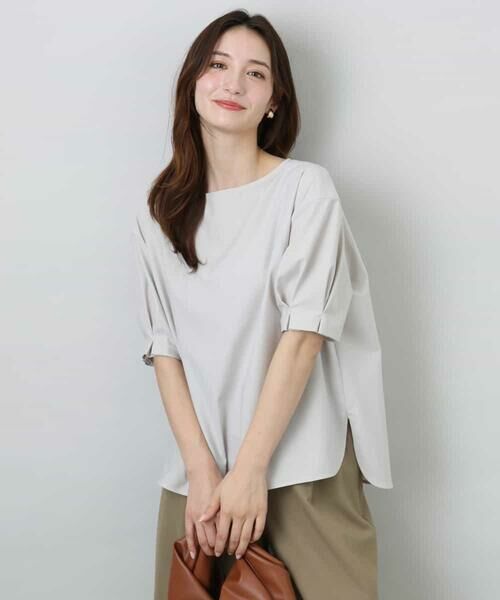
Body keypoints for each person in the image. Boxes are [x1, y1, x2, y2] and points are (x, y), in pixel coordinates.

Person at [131, 9, 394, 600]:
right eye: (218, 65)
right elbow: (163, 349)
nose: (233, 83)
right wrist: (201, 470)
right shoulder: (160, 209)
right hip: (199, 478)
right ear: (193, 80)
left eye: (255, 73)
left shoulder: (305, 189)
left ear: (274, 100)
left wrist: (250, 470)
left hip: (301, 468)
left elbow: (304, 336)